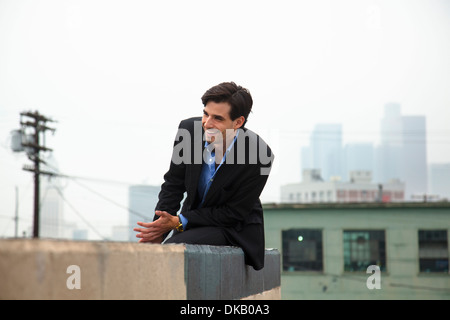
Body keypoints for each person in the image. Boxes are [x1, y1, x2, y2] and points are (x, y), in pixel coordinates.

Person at [134, 82, 274, 270]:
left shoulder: (259, 155)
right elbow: (173, 183)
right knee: (159, 254)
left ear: (238, 122)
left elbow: (233, 213)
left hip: (232, 228)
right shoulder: (188, 131)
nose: (207, 124)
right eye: (206, 114)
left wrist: (178, 222)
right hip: (191, 223)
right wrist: (158, 228)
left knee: (173, 252)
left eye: (217, 118)